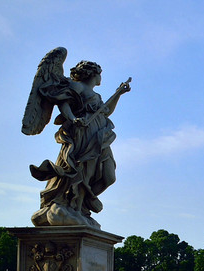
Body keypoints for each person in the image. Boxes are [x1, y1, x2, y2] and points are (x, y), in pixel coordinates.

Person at [24, 49, 131, 227]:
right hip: (83, 134)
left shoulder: (95, 94)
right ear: (93, 73)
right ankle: (73, 206)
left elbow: (105, 111)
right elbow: (63, 105)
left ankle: (81, 207)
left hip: (100, 136)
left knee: (109, 176)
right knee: (82, 172)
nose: (101, 78)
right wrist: (74, 119)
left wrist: (118, 94)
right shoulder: (77, 87)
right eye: (100, 74)